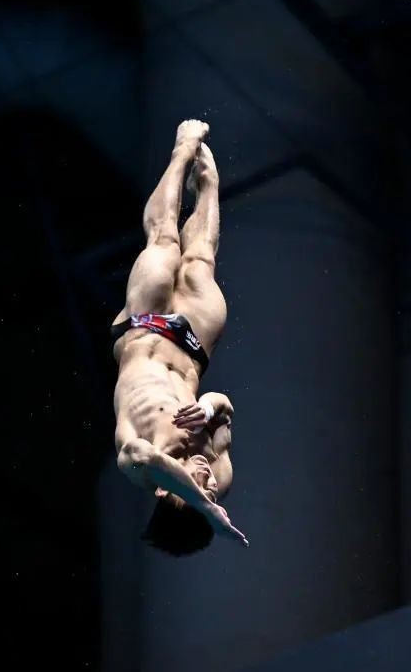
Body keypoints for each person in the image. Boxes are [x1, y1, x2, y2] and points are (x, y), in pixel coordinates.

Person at [110, 119, 247, 553]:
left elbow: (147, 456)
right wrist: (207, 407)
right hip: (192, 349)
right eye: (212, 496)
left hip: (144, 330)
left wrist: (204, 507)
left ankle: (182, 150)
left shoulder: (140, 464)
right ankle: (208, 182)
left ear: (163, 491)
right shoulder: (220, 476)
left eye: (198, 491)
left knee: (164, 240)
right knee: (201, 260)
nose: (209, 484)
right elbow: (224, 406)